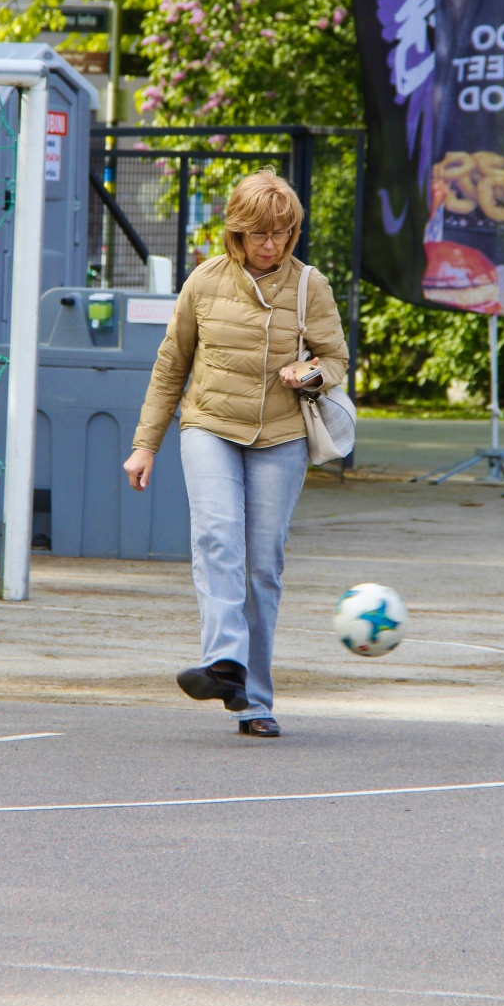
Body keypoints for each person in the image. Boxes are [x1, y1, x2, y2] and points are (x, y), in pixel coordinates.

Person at [123, 167, 349, 738]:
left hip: (281, 436)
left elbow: (336, 360)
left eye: (281, 233)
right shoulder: (203, 282)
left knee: (262, 564)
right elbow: (171, 366)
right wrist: (145, 444)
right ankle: (225, 663)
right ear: (237, 232)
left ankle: (255, 701)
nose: (270, 244)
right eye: (259, 233)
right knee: (216, 536)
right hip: (210, 427)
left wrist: (309, 374)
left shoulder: (310, 285)